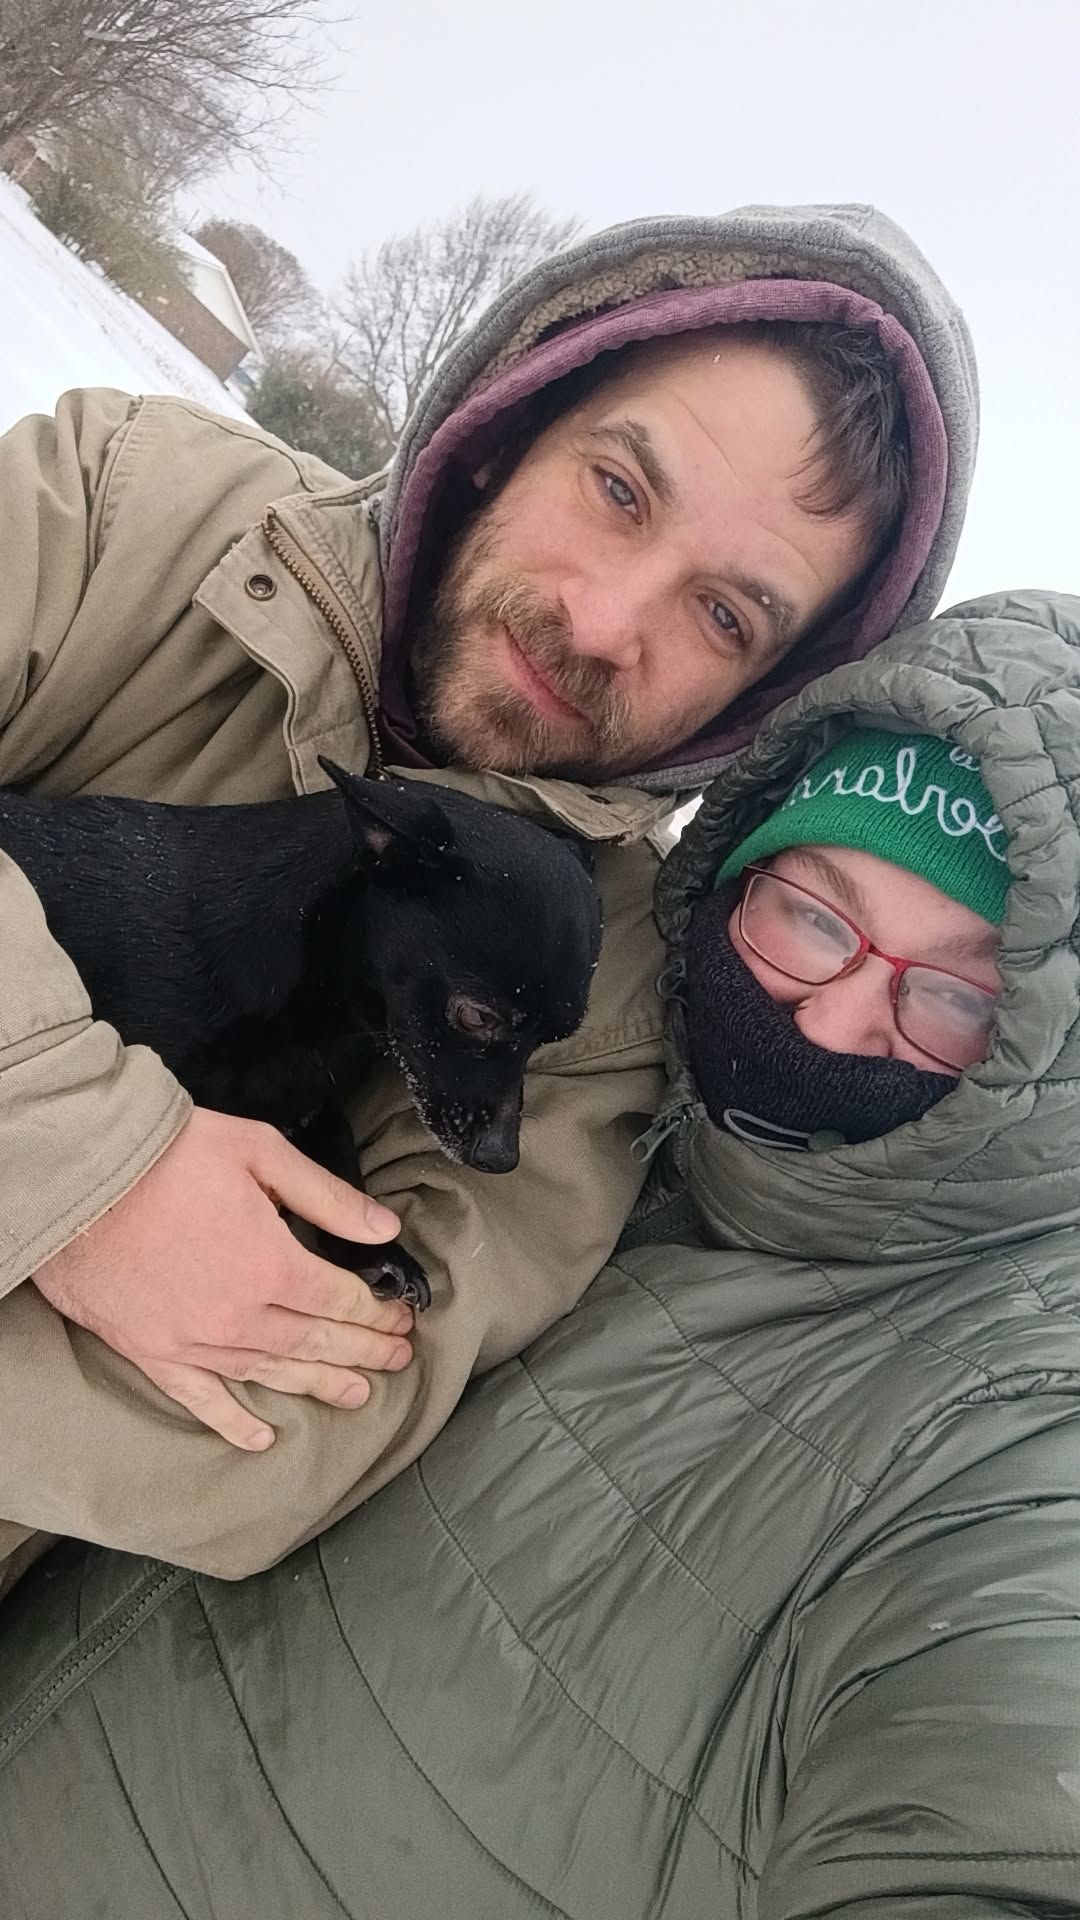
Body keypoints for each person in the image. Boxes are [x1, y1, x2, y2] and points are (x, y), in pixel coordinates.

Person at [4, 590, 1077, 1918]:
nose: (842, 1012)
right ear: (734, 870)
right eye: (814, 910)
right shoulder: (590, 1063)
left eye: (962, 989)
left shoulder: (1019, 1435)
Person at [0, 202, 978, 1590]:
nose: (599, 622)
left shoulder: (618, 1003)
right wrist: (81, 1176)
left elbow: (302, 1423)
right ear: (513, 417)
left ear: (762, 693)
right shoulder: (132, 509)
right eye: (621, 489)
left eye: (724, 617)